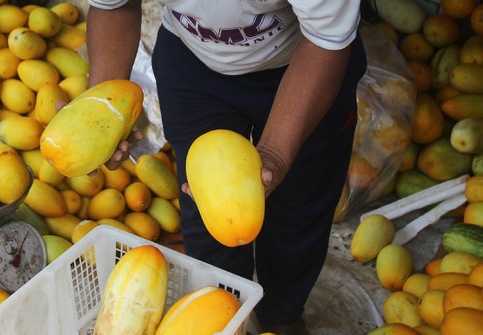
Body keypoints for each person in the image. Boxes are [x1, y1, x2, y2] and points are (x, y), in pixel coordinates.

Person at [86, 1, 368, 333]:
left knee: (299, 211)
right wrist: (100, 116)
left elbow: (326, 40)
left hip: (305, 59)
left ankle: (282, 315)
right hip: (191, 62)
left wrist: (276, 153)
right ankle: (221, 315)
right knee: (212, 218)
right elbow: (115, 6)